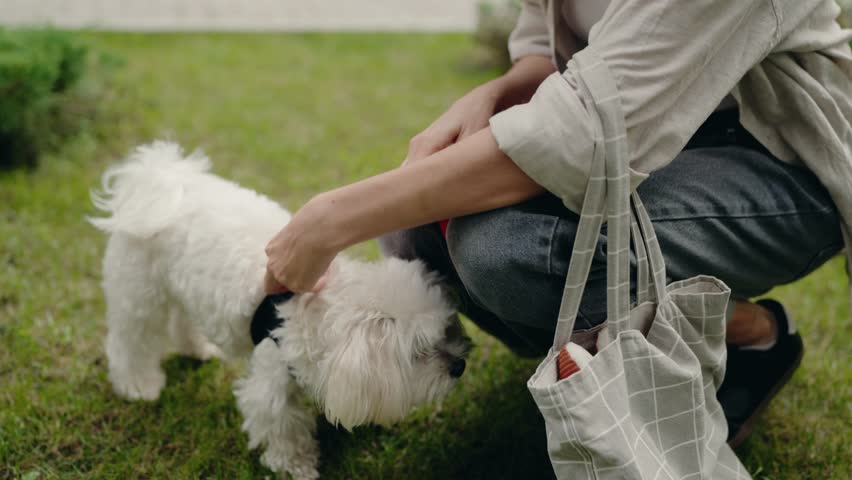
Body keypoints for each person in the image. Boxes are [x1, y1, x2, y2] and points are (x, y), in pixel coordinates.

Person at [265, 0, 852, 447]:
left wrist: (329, 220)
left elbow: (580, 138)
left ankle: (750, 332)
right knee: (417, 232)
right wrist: (494, 92)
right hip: (656, 128)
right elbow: (552, 47)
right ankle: (606, 332)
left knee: (507, 252)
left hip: (782, 157)